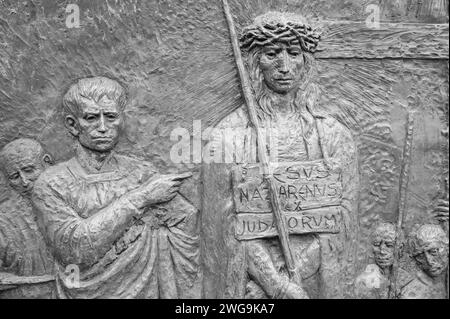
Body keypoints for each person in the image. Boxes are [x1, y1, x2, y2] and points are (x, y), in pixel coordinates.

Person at [204, 12, 359, 299]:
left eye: (294, 53)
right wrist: (276, 285)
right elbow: (226, 222)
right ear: (254, 63)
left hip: (312, 280)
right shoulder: (228, 134)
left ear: (306, 62)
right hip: (253, 289)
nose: (284, 66)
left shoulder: (333, 136)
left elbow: (341, 219)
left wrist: (296, 275)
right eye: (272, 54)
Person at [32, 76, 201, 298]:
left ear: (121, 119)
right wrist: (142, 199)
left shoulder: (141, 172)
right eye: (91, 118)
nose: (103, 127)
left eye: (110, 117)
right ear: (72, 125)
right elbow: (74, 251)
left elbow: (185, 221)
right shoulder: (51, 184)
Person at [0, 139, 55, 298]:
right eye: (15, 176)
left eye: (29, 170)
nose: (24, 182)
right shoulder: (4, 221)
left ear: (47, 163)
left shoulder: (77, 202)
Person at [354, 222, 409, 299]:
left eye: (389, 245)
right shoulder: (363, 282)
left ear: (400, 248)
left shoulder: (407, 280)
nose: (382, 251)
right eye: (377, 245)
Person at [399, 224, 448, 299]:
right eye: (420, 256)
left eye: (433, 252)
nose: (429, 261)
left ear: (446, 248)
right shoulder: (412, 293)